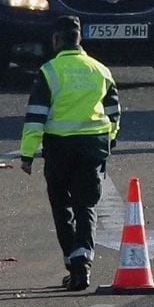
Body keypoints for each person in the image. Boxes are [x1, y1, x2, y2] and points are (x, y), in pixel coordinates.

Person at [18, 17, 122, 291]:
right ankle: (83, 262)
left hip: (60, 148)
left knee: (62, 206)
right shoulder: (100, 70)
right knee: (86, 205)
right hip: (92, 147)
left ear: (56, 40)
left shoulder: (50, 71)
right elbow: (114, 112)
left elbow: (36, 116)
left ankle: (73, 264)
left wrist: (27, 154)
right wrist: (109, 141)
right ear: (80, 40)